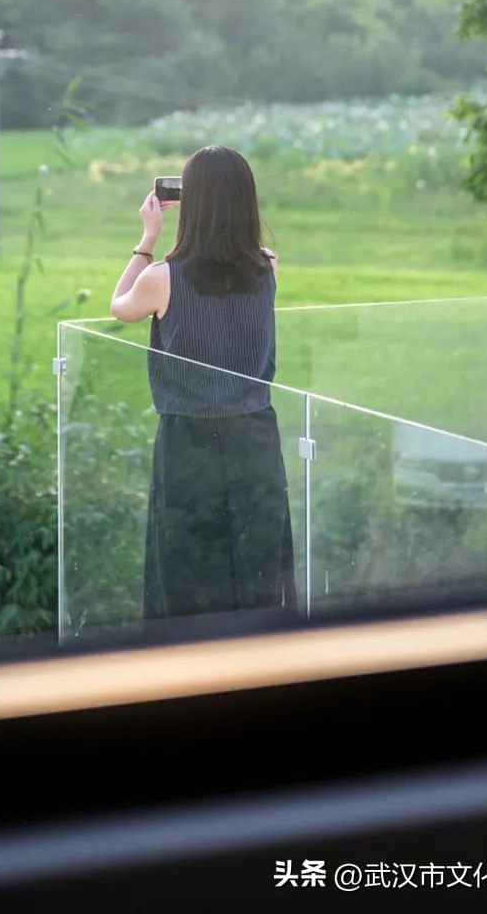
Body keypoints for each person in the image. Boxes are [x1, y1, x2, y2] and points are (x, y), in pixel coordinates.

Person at [110, 144, 297, 627]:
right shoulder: (267, 266)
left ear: (192, 204)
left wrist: (146, 239)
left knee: (187, 568)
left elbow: (120, 306)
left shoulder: (161, 278)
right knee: (256, 566)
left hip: (187, 443)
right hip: (255, 435)